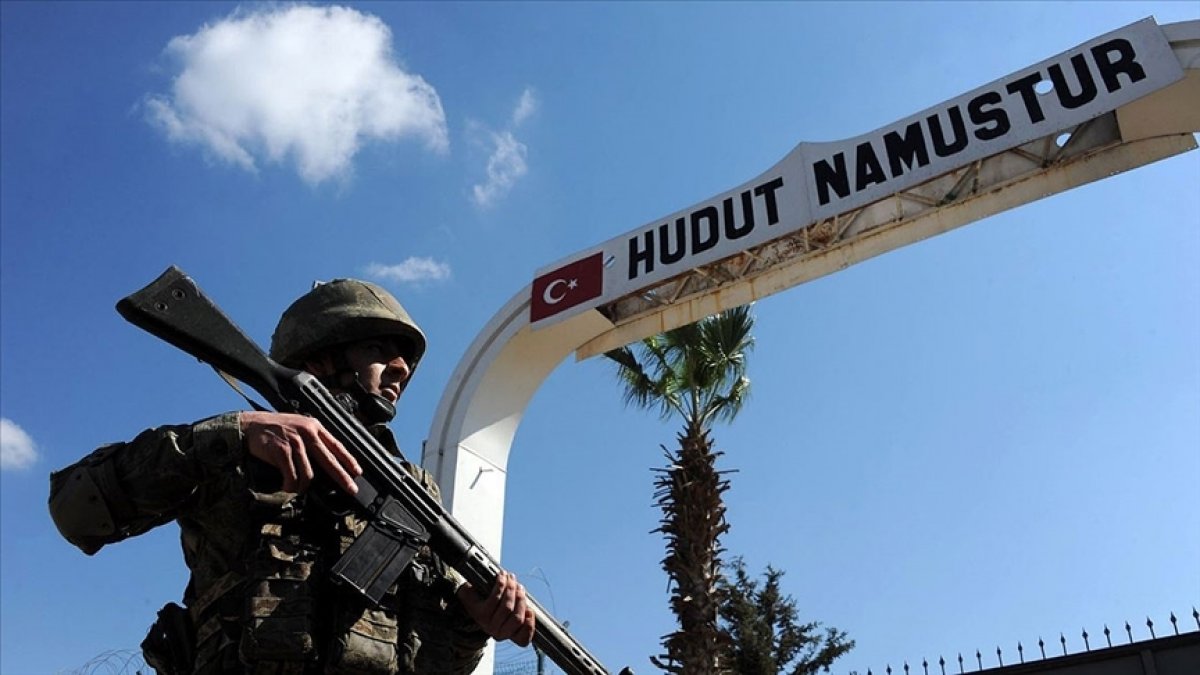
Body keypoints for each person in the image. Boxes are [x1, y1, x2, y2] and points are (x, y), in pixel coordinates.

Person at [49, 278, 536, 674]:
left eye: (405, 358)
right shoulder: (236, 449)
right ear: (317, 360)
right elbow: (75, 512)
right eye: (378, 348)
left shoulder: (413, 492)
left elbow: (425, 662)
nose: (401, 367)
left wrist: (474, 627)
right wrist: (231, 436)